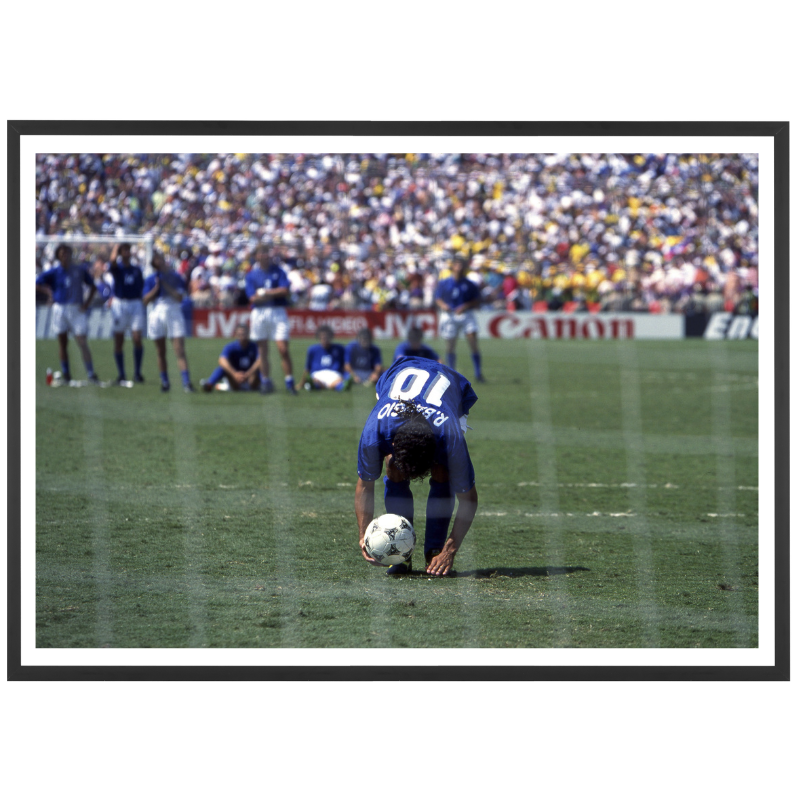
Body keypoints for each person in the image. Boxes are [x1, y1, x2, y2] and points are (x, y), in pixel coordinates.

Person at [355, 355, 479, 577]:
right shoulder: (374, 432)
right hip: (395, 375)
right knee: (393, 467)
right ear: (391, 442)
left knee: (443, 471)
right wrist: (363, 535)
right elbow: (365, 485)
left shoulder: (450, 439)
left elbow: (469, 500)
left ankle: (435, 549)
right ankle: (402, 556)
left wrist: (450, 550)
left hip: (449, 385)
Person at [34, 243, 100, 383]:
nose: (65, 255)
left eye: (67, 253)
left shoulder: (79, 270)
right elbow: (37, 284)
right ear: (58, 255)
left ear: (71, 254)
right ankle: (66, 374)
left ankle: (90, 373)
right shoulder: (54, 272)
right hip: (60, 308)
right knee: (62, 343)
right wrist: (49, 293)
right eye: (62, 253)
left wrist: (87, 304)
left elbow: (93, 286)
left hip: (76, 308)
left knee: (82, 341)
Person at [245, 245, 298, 395]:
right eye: (261, 253)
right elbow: (252, 297)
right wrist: (268, 295)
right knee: (262, 350)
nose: (264, 256)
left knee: (283, 349)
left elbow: (285, 290)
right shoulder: (252, 275)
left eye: (266, 253)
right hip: (259, 312)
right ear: (256, 256)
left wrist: (265, 293)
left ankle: (289, 382)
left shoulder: (278, 271)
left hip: (277, 311)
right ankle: (266, 381)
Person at [142, 250, 196, 392]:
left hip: (173, 310)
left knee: (179, 349)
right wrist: (156, 289)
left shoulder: (175, 277)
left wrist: (165, 285)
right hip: (157, 311)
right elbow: (145, 300)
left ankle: (186, 382)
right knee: (160, 350)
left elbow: (179, 297)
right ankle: (165, 382)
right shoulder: (150, 279)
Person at [434, 255, 485, 382]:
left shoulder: (470, 284)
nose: (459, 267)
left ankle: (478, 373)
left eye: (461, 265)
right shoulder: (444, 283)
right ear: (453, 267)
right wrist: (443, 305)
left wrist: (465, 306)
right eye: (457, 265)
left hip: (466, 314)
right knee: (450, 345)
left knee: (473, 341)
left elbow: (476, 300)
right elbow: (438, 298)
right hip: (450, 315)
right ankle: (451, 373)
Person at [106, 242, 145, 384]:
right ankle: (121, 374)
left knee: (137, 338)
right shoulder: (117, 269)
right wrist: (116, 248)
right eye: (124, 250)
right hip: (120, 304)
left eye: (128, 250)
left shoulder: (136, 270)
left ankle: (137, 373)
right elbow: (112, 262)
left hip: (135, 303)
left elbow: (141, 287)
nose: (126, 252)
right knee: (119, 340)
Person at [200, 322, 261, 391]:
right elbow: (222, 360)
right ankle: (209, 384)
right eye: (239, 334)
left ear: (248, 334)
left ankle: (265, 383)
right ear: (236, 335)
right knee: (222, 368)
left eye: (244, 334)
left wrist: (248, 374)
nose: (242, 336)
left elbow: (260, 360)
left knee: (262, 367)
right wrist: (234, 374)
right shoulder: (230, 347)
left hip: (251, 379)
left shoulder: (255, 346)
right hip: (235, 380)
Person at [301, 325, 352, 391]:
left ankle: (342, 386)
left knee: (338, 382)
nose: (324, 340)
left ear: (331, 337)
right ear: (318, 337)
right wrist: (301, 383)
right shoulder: (312, 349)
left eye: (326, 338)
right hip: (317, 374)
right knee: (312, 382)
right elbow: (307, 368)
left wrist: (347, 375)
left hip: (334, 374)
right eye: (322, 338)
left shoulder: (339, 349)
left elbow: (345, 365)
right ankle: (314, 386)